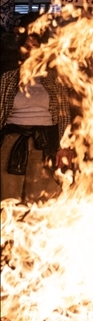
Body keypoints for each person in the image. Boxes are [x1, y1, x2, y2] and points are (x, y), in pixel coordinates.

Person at [0, 33, 73, 203]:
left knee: (39, 199)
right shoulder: (7, 78)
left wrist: (64, 146)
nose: (29, 49)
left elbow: (64, 115)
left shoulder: (55, 80)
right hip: (12, 141)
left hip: (44, 144)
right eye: (26, 45)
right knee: (8, 197)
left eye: (35, 45)